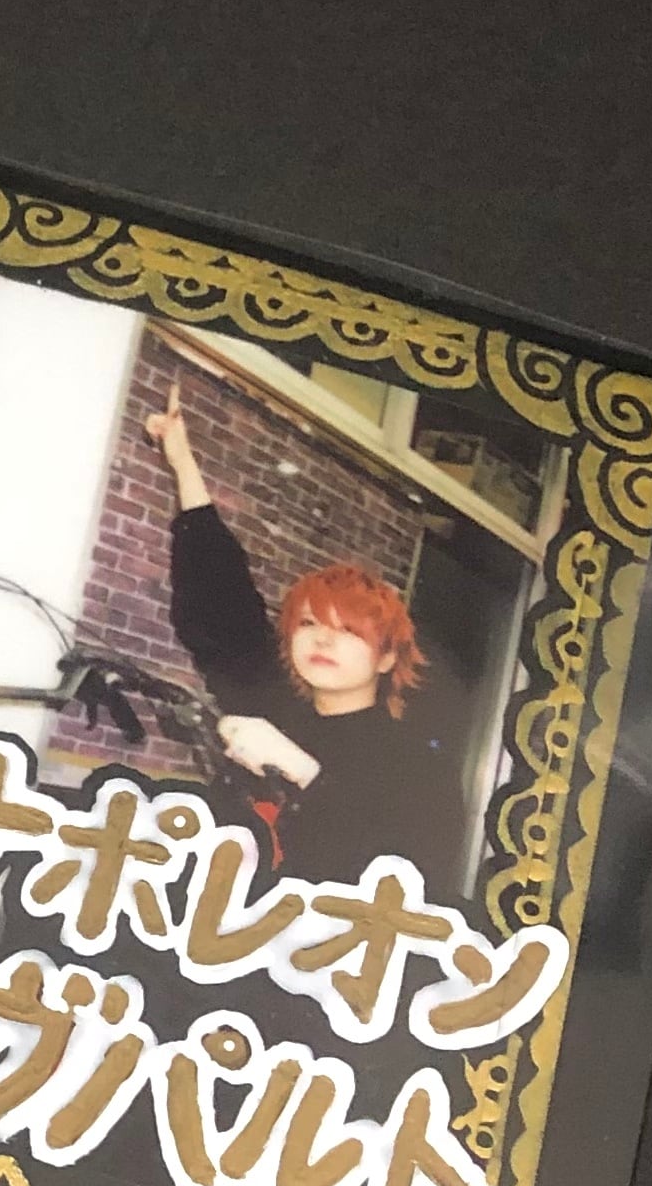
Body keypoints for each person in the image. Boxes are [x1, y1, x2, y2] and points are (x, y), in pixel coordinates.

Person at [146, 382, 460, 898]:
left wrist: (303, 771)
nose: (323, 640)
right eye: (310, 624)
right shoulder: (272, 702)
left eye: (348, 631)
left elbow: (404, 881)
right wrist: (181, 460)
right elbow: (219, 598)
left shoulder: (414, 764)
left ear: (386, 658)